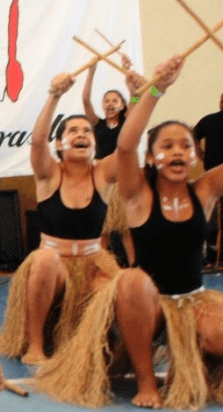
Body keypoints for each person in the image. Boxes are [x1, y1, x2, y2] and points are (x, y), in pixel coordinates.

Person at [36, 56, 223, 411]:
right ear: (151, 158)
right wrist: (156, 89)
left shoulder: (206, 189)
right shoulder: (138, 193)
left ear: (196, 156)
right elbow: (125, 145)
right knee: (132, 280)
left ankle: (197, 364)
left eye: (185, 146)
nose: (177, 152)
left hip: (192, 301)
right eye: (167, 147)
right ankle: (146, 380)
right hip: (141, 308)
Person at [0, 69, 124, 365]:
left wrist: (146, 93)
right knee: (44, 258)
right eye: (73, 131)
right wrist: (54, 95)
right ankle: (35, 344)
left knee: (125, 286)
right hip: (55, 267)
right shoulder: (49, 174)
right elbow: (37, 143)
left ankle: (99, 344)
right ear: (59, 144)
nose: (82, 134)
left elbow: (128, 144)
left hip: (93, 264)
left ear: (95, 144)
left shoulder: (103, 173)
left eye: (87, 131)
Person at [82, 57, 144, 267]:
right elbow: (85, 100)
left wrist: (129, 71)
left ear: (122, 105)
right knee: (104, 229)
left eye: (114, 100)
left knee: (125, 228)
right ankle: (101, 267)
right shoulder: (97, 124)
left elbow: (139, 96)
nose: (109, 104)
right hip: (102, 181)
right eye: (106, 101)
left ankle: (135, 265)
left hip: (122, 180)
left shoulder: (127, 121)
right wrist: (91, 71)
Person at [193, 91, 223, 266]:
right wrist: (200, 155)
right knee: (209, 216)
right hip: (211, 178)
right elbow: (193, 136)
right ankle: (211, 253)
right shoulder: (209, 120)